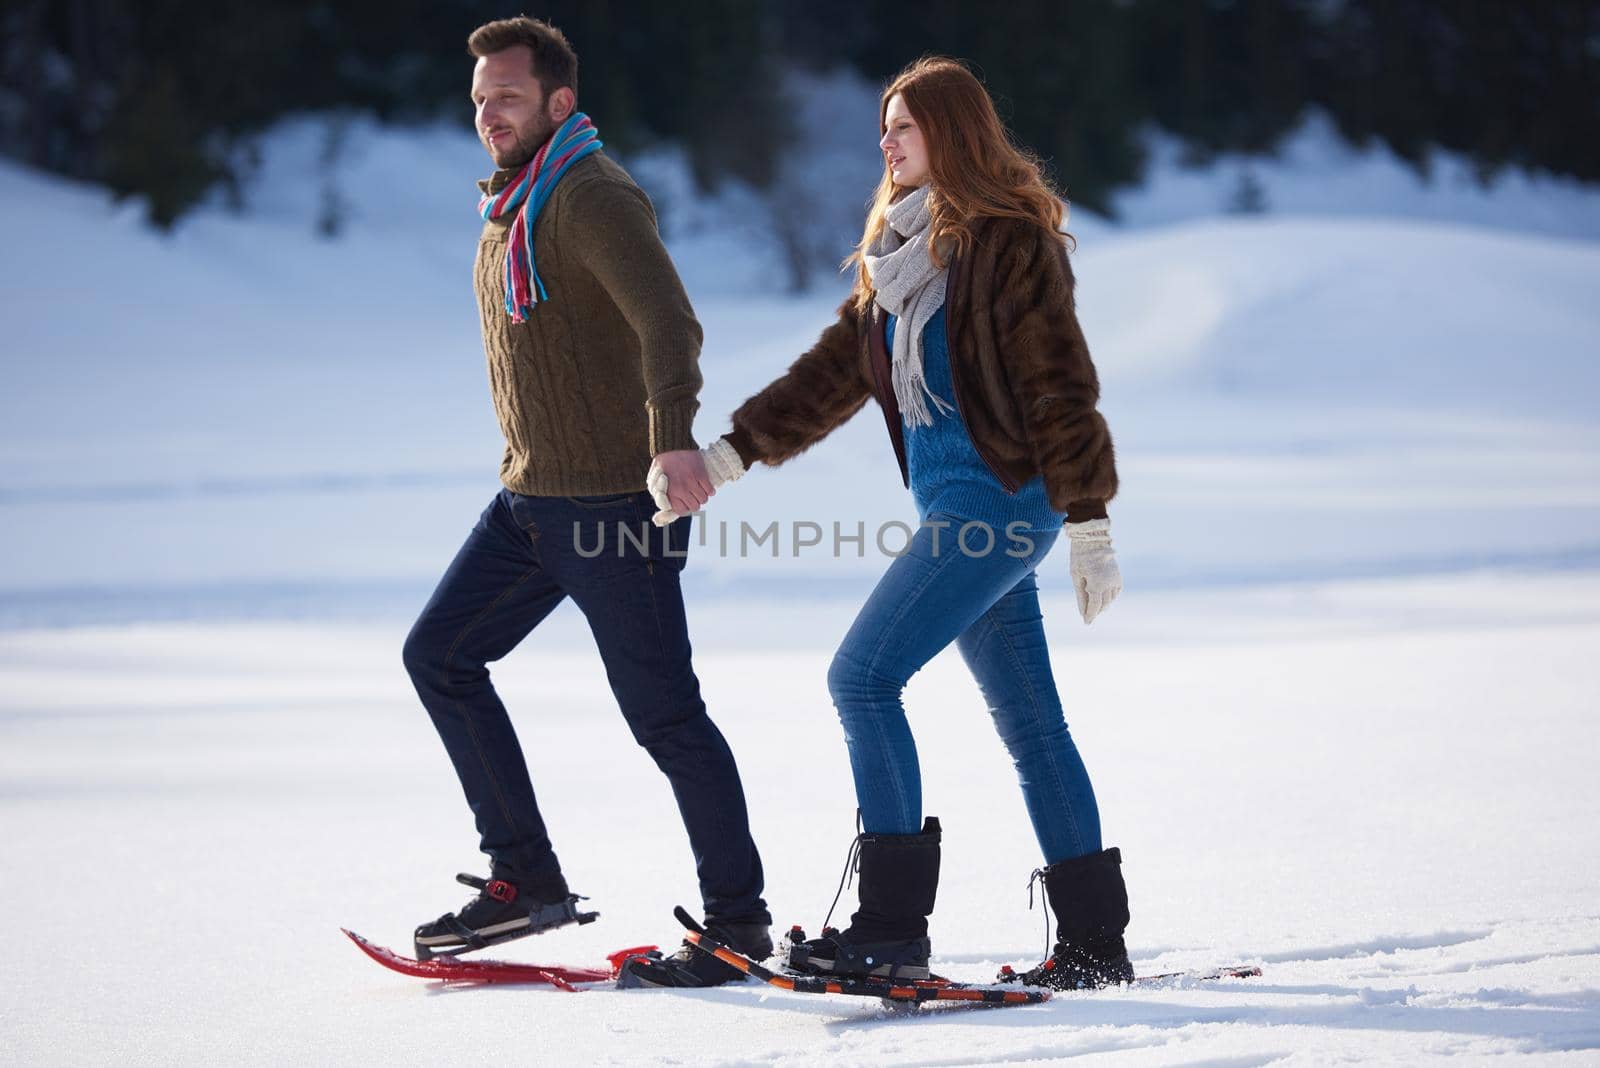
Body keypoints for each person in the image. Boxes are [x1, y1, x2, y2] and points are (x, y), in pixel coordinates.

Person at [649, 56, 1133, 990]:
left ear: (950, 132)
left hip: (998, 506)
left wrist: (1090, 520)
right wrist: (724, 458)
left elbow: (1059, 386)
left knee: (862, 678)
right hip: (954, 505)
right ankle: (1093, 943)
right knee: (1033, 727)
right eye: (885, 125)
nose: (886, 140)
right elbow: (830, 377)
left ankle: (891, 925)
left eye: (903, 125)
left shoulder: (1009, 246)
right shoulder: (898, 262)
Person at [401, 16, 770, 987]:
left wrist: (672, 439)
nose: (488, 114)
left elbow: (669, 324)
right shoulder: (514, 204)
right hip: (529, 504)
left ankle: (738, 924)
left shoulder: (589, 196)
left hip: (610, 509)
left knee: (665, 718)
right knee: (439, 656)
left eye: (507, 96)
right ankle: (524, 878)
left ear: (558, 102)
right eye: (480, 98)